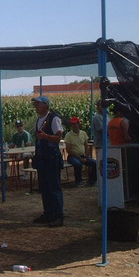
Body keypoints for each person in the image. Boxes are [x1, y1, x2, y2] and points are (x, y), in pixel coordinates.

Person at [31, 96, 64, 227]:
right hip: (42, 158)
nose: (36, 106)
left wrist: (45, 136)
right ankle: (48, 213)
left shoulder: (54, 118)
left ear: (46, 105)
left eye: (38, 104)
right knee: (44, 188)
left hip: (51, 157)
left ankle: (58, 216)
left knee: (54, 188)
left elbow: (58, 137)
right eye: (35, 104)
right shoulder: (40, 120)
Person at [64, 117, 97, 187]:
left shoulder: (83, 133)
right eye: (72, 124)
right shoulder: (68, 135)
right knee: (78, 164)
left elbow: (86, 146)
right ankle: (78, 181)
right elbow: (68, 150)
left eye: (74, 123)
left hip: (83, 155)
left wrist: (86, 156)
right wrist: (79, 157)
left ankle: (92, 181)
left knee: (95, 163)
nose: (73, 125)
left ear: (78, 124)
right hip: (72, 156)